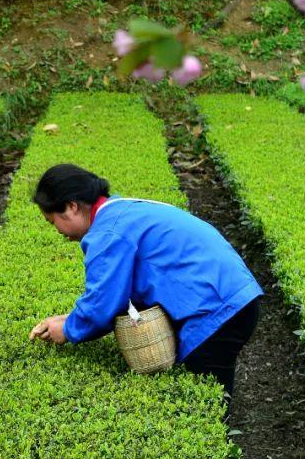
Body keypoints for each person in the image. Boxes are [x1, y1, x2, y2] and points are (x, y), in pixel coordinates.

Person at [28, 163, 261, 404]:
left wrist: (67, 330)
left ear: (71, 207)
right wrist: (71, 319)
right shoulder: (122, 210)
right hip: (233, 298)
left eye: (51, 221)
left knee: (205, 400)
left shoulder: (108, 234)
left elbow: (103, 303)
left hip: (217, 311)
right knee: (210, 388)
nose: (56, 231)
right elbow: (112, 297)